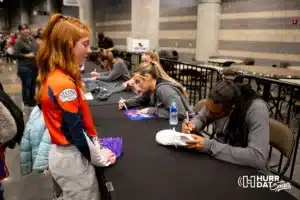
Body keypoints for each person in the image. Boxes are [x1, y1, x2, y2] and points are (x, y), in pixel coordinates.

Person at [35, 14, 116, 200]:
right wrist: (100, 158)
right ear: (67, 46)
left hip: (64, 157)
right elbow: (75, 133)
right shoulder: (63, 83)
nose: (88, 51)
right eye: (85, 44)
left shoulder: (55, 76)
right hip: (72, 160)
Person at [182, 80, 269, 170]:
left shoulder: (257, 109)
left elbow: (258, 158)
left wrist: (211, 146)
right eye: (207, 108)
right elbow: (201, 118)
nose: (208, 114)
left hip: (246, 170)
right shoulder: (218, 99)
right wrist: (192, 125)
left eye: (214, 114)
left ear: (231, 109)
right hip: (223, 160)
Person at [119, 61, 194, 119]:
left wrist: (152, 110)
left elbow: (179, 114)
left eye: (138, 81)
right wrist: (127, 103)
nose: (137, 85)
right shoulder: (151, 88)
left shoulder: (164, 89)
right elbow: (142, 99)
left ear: (147, 77)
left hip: (185, 127)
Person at [14, 24, 38, 107]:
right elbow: (15, 54)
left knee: (33, 84)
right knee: (27, 84)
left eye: (26, 29)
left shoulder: (33, 39)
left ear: (29, 30)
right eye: (23, 29)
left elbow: (36, 49)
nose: (25, 31)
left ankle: (33, 99)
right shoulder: (18, 42)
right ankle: (27, 101)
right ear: (20, 31)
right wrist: (26, 55)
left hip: (34, 65)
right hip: (24, 66)